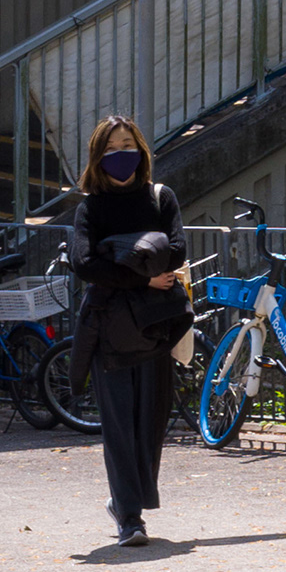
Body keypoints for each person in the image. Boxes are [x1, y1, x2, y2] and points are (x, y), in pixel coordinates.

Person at [75, 117, 190, 547]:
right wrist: (142, 275)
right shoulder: (90, 208)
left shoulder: (161, 197)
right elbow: (85, 263)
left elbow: (177, 249)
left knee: (151, 423)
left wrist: (122, 256)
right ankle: (130, 517)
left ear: (141, 150)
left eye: (127, 144)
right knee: (120, 423)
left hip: (156, 326)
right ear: (97, 156)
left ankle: (130, 500)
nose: (120, 154)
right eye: (110, 148)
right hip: (111, 328)